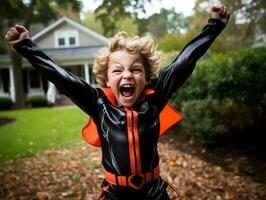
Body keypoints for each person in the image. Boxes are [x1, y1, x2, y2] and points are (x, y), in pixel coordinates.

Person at [5, 4, 230, 200]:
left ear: (146, 77)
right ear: (106, 79)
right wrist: (26, 47)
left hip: (154, 192)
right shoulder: (98, 104)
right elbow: (62, 78)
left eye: (135, 69)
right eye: (118, 70)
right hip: (114, 193)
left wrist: (214, 25)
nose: (127, 75)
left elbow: (184, 62)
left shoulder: (154, 99)